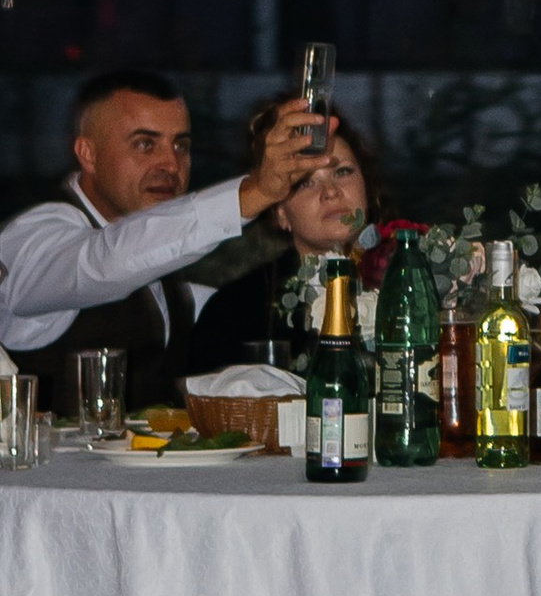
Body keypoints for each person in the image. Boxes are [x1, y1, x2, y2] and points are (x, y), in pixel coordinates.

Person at [0, 68, 345, 414]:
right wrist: (255, 192)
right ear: (88, 154)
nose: (170, 163)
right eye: (144, 144)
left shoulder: (172, 279)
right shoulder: (35, 237)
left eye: (181, 145)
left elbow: (231, 307)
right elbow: (103, 262)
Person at [188, 101, 380, 372]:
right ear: (280, 213)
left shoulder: (410, 280)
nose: (331, 191)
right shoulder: (240, 310)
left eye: (342, 172)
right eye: (305, 182)